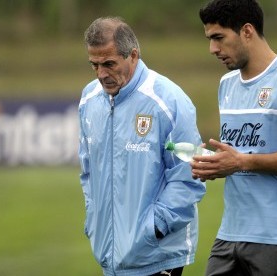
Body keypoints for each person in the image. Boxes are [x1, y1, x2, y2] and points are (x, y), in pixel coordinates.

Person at [191, 0, 277, 275]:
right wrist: (216, 164)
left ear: (247, 31)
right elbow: (241, 153)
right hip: (230, 234)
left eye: (219, 38)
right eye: (209, 39)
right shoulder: (226, 85)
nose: (212, 49)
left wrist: (241, 162)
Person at [78, 17, 206, 276]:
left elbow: (189, 177)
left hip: (157, 254)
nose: (101, 74)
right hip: (110, 256)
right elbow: (87, 171)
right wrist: (95, 218)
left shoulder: (169, 101)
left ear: (133, 55)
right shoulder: (88, 100)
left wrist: (153, 228)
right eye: (94, 65)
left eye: (109, 64)